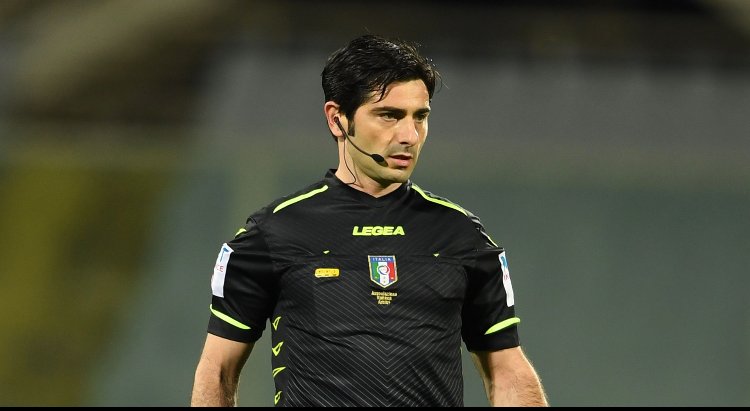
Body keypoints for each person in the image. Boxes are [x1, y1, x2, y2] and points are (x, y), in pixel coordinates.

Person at [191, 34, 548, 407]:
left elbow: (507, 372)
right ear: (337, 119)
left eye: (420, 117)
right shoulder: (272, 233)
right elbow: (217, 372)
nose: (409, 135)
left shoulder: (463, 236)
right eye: (389, 115)